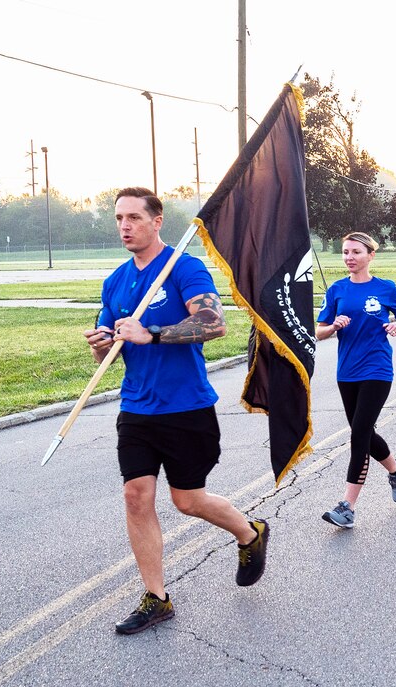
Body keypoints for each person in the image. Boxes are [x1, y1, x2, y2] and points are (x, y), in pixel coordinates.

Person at [84, 187, 269, 636]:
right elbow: (107, 352)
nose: (125, 226)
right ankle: (157, 597)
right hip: (137, 407)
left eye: (133, 217)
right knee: (136, 496)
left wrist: (152, 332)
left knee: (187, 501)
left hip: (186, 406)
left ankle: (250, 533)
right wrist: (103, 344)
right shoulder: (116, 281)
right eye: (119, 219)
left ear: (156, 220)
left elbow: (214, 324)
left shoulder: (184, 267)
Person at [316, 231, 396, 528]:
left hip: (377, 369)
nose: (349, 258)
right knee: (365, 433)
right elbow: (318, 331)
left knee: (359, 434)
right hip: (347, 372)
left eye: (356, 252)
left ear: (371, 255)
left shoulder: (386, 288)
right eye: (346, 252)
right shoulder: (337, 290)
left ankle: (347, 506)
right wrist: (333, 325)